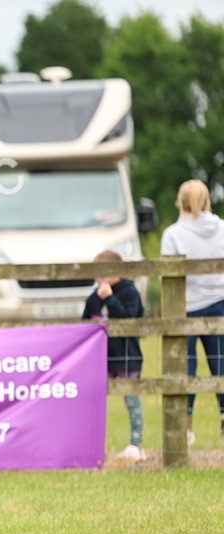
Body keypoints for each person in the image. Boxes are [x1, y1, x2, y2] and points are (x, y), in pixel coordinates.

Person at [159, 179, 224, 442]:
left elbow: (167, 276)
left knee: (186, 368)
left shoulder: (173, 234)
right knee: (221, 364)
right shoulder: (222, 229)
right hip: (220, 302)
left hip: (185, 306)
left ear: (180, 202)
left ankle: (185, 426)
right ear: (207, 200)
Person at [82, 250, 144, 460]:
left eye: (104, 274)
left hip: (127, 355)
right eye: (97, 275)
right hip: (101, 358)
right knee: (93, 399)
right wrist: (99, 301)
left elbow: (129, 318)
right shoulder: (95, 295)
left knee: (132, 399)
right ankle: (91, 444)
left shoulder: (129, 292)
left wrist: (110, 298)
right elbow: (86, 320)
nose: (99, 280)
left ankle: (135, 444)